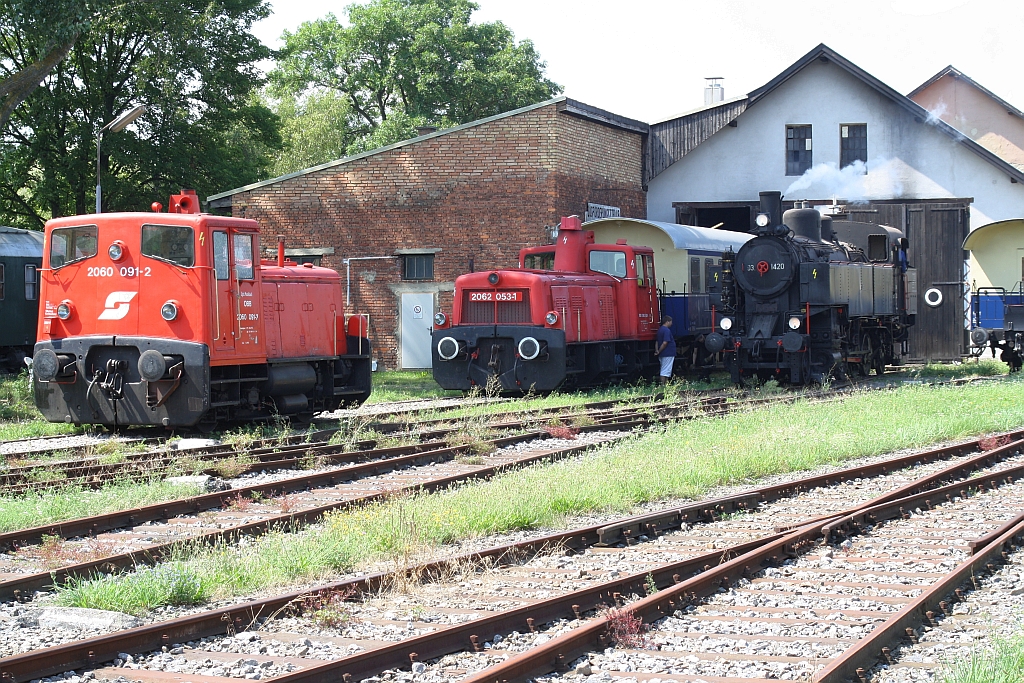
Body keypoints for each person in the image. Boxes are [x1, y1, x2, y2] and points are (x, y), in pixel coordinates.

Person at [656, 316, 676, 385]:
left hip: (664, 353)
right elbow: (665, 343)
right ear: (667, 322)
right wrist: (659, 351)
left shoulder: (660, 330)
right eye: (671, 322)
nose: (671, 323)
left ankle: (666, 385)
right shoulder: (666, 330)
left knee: (666, 369)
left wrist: (657, 350)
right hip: (668, 353)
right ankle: (663, 385)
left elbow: (657, 342)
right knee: (665, 370)